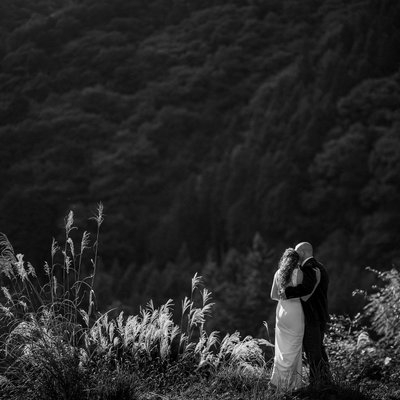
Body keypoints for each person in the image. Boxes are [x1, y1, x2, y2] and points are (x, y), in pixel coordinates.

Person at [270, 248, 320, 391]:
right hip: (295, 312)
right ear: (297, 260)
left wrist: (283, 295)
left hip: (281, 312)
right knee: (294, 349)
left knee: (282, 349)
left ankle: (277, 382)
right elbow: (305, 296)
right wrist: (315, 282)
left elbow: (273, 295)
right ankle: (291, 385)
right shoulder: (299, 273)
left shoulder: (278, 273)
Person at [282, 242, 330, 387]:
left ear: (302, 252)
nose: (296, 256)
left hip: (312, 316)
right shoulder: (320, 266)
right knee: (319, 350)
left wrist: (287, 292)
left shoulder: (309, 268)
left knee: (312, 351)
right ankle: (325, 381)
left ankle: (317, 384)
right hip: (320, 314)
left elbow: (306, 289)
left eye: (297, 253)